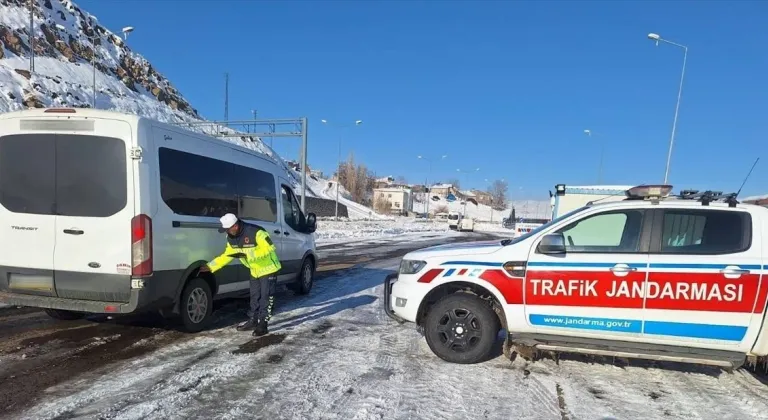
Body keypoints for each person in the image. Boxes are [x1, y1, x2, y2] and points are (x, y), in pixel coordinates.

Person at [200, 213, 281, 336]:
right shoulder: (231, 238)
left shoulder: (256, 232)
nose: (226, 232)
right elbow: (227, 255)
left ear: (235, 226)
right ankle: (253, 321)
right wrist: (211, 266)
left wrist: (248, 255)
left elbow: (269, 248)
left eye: (227, 229)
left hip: (268, 269)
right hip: (255, 270)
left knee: (266, 297)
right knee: (254, 297)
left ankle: (263, 324)